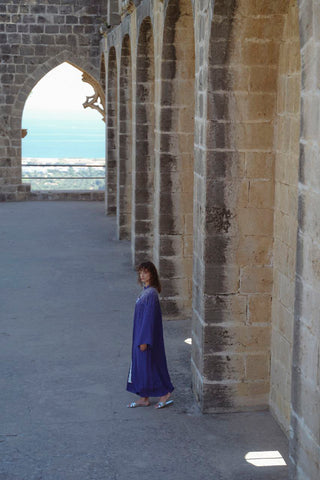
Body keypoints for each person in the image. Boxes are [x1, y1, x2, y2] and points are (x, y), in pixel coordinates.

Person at [127, 261, 174, 409]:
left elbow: (149, 318)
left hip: (145, 337)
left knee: (151, 364)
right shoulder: (145, 291)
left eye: (145, 272)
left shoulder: (151, 293)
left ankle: (165, 392)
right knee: (141, 365)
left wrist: (144, 340)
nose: (142, 275)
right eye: (140, 272)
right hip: (139, 334)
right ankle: (144, 397)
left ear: (152, 274)